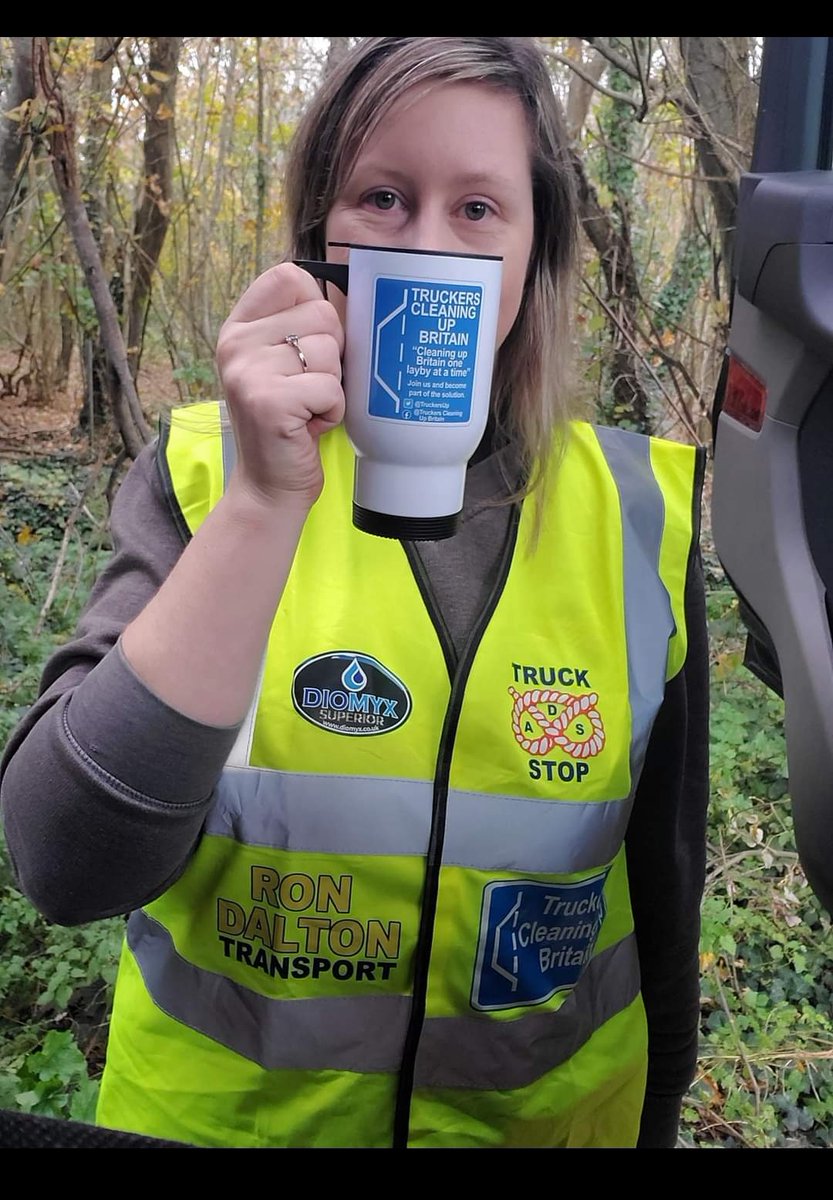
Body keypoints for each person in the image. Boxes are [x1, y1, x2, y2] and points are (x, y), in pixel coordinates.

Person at [0, 36, 709, 1149]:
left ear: (533, 251)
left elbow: (663, 895)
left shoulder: (633, 515)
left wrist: (658, 1115)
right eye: (382, 196)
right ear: (319, 243)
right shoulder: (204, 478)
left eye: (478, 209)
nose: (427, 241)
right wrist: (261, 507)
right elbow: (63, 863)